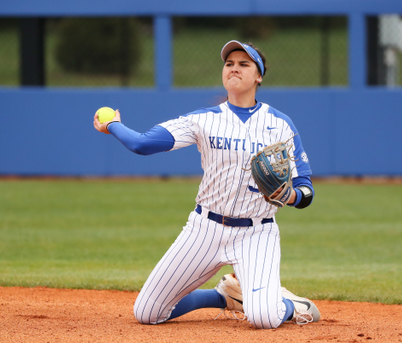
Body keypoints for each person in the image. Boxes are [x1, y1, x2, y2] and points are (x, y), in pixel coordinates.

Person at [93, 40, 320, 329]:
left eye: (244, 64)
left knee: (264, 317)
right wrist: (113, 124)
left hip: (256, 233)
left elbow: (306, 188)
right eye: (229, 64)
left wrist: (291, 196)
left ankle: (291, 304)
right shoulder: (203, 120)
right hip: (205, 229)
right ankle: (222, 296)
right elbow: (141, 144)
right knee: (147, 313)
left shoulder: (280, 124)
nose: (234, 68)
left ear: (258, 76)